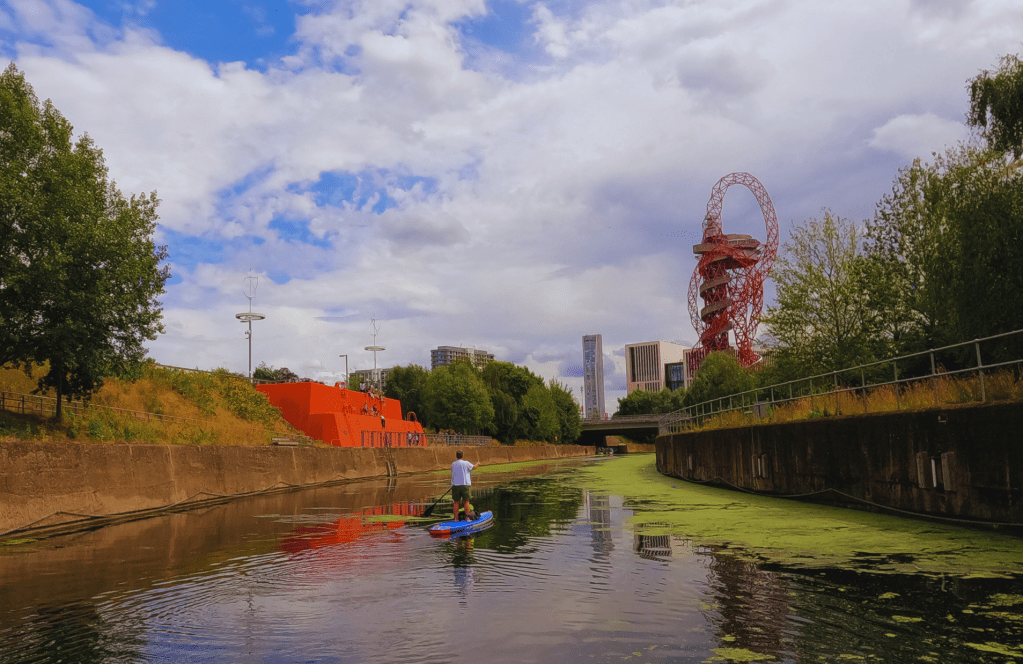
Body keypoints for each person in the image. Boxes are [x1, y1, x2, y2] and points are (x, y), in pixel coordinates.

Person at [451, 450, 480, 521]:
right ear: (462, 456)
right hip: (465, 485)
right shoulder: (466, 463)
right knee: (466, 501)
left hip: (455, 485)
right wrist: (478, 463)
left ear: (456, 456)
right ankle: (467, 517)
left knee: (456, 502)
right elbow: (474, 467)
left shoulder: (453, 464)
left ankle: (456, 518)